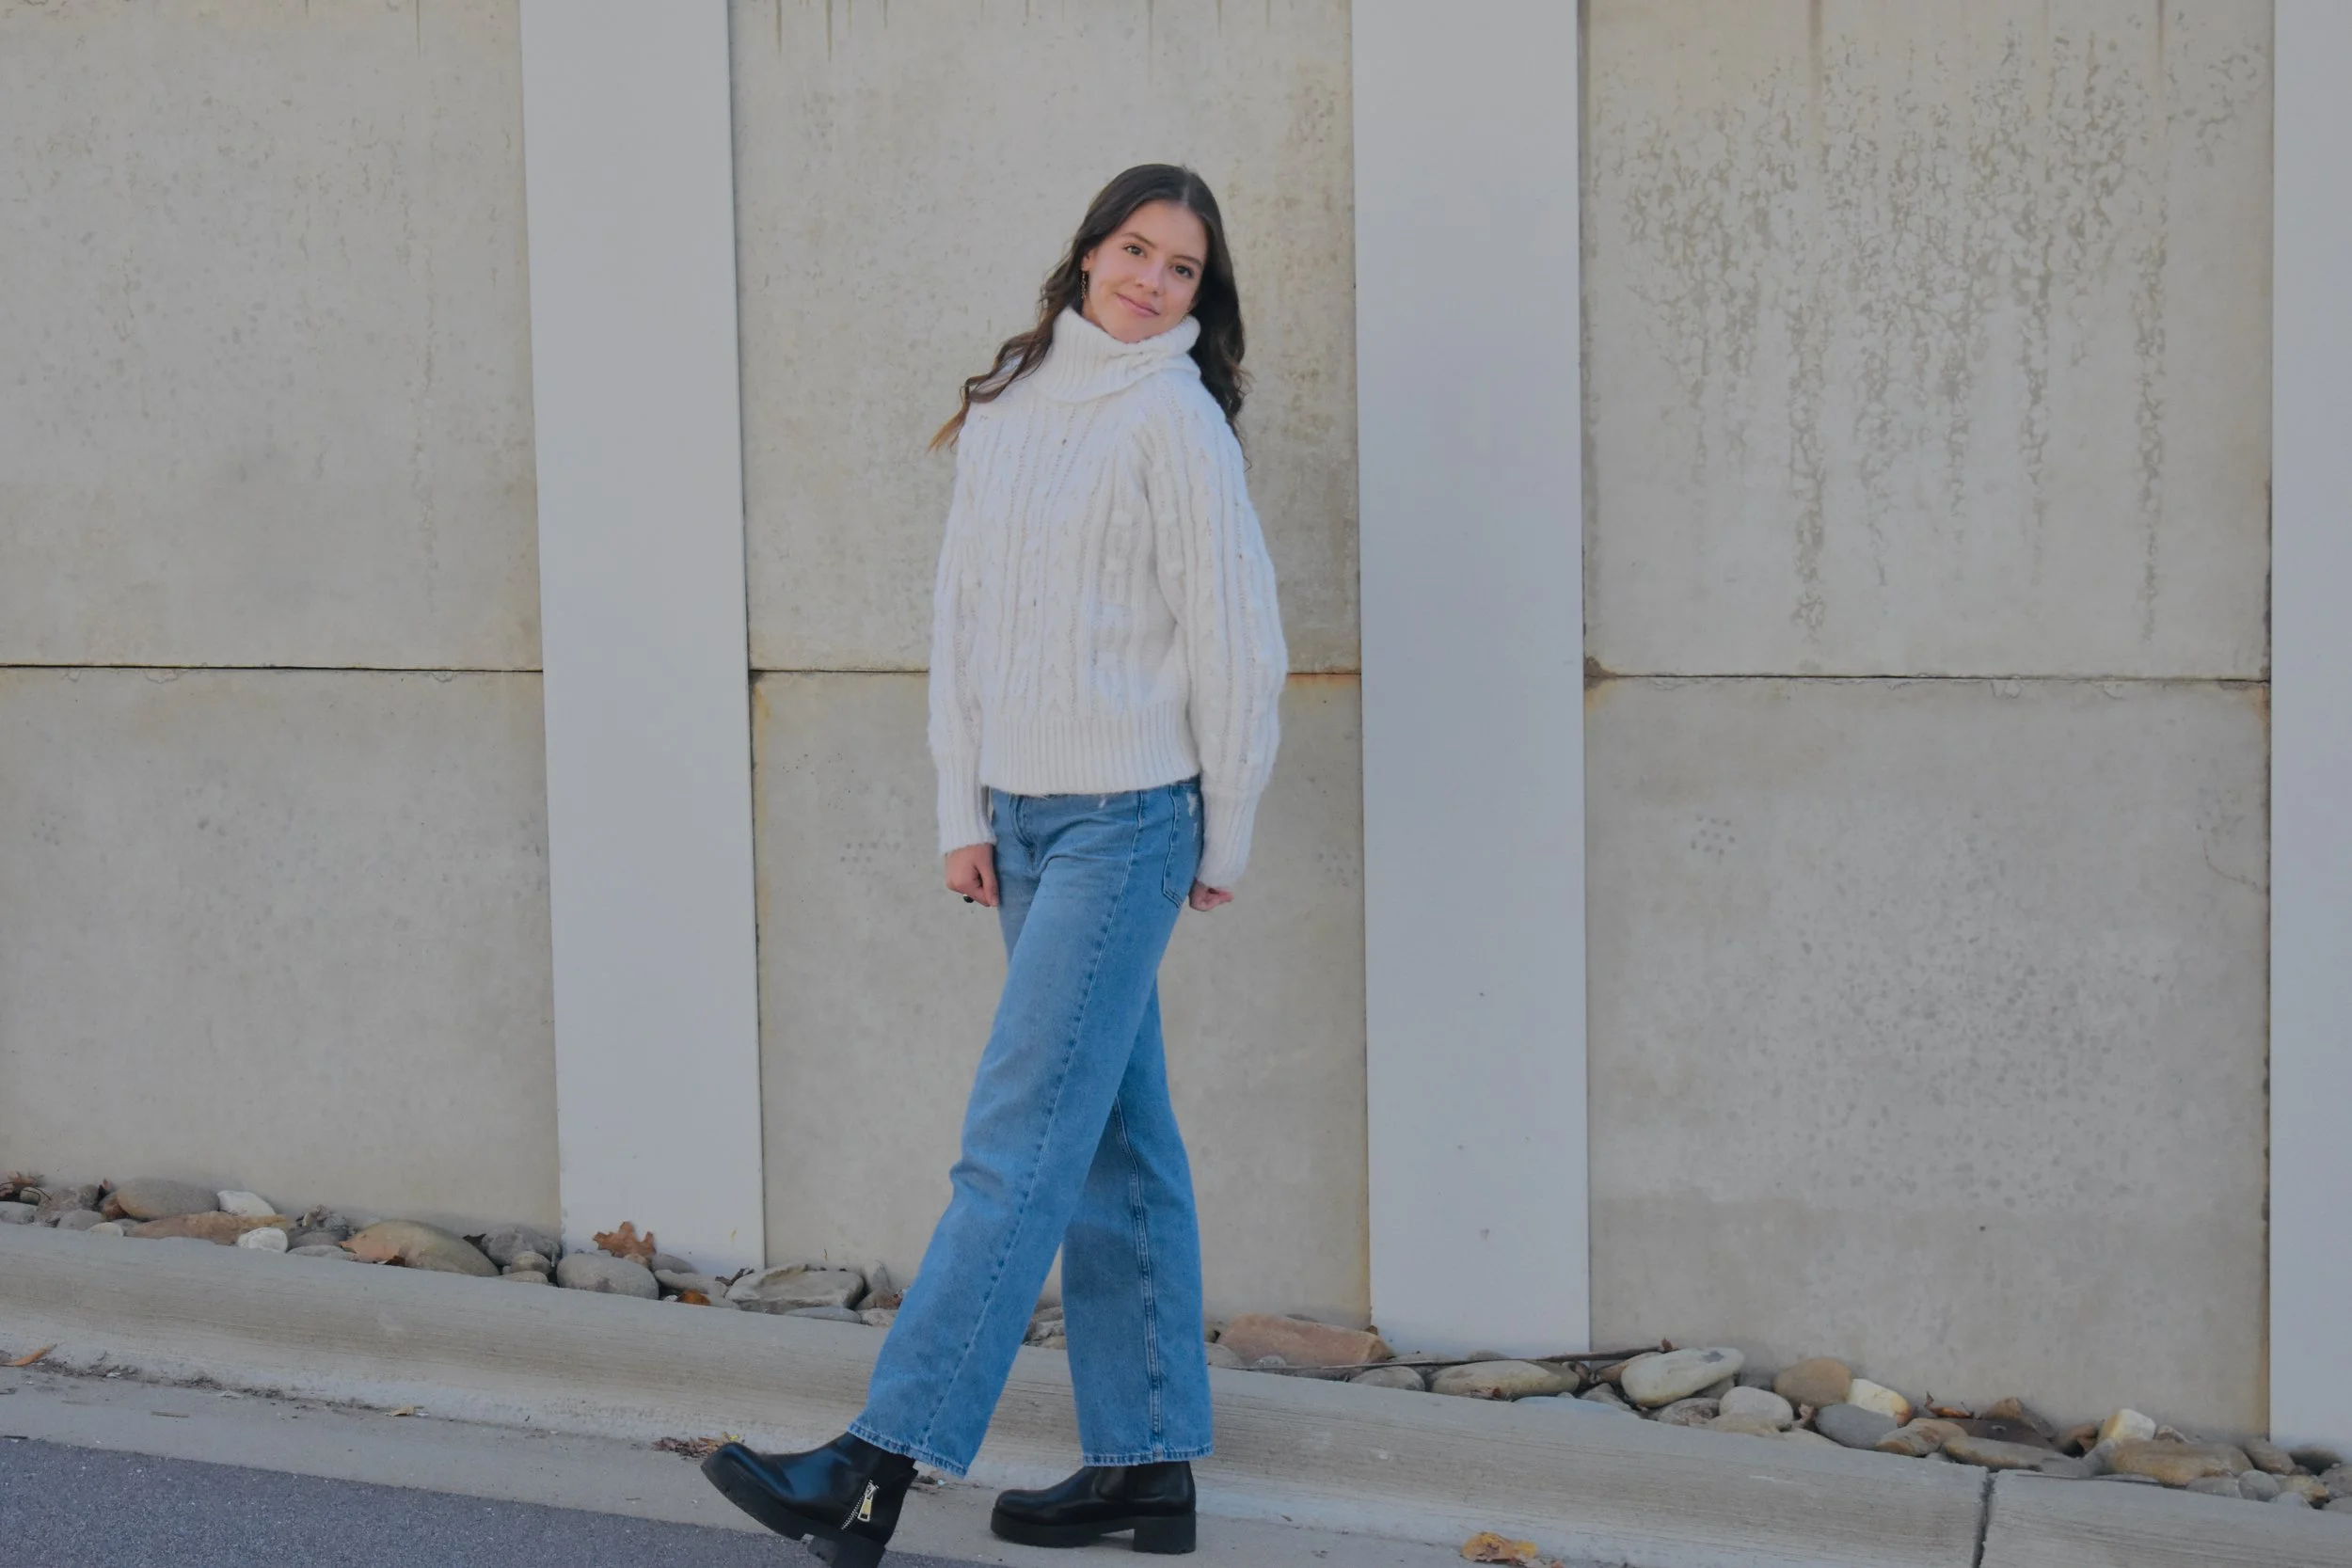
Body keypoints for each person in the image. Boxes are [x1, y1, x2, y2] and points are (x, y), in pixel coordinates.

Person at [703, 164, 1287, 1566]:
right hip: (1020, 824)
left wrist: (1227, 829)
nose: (1151, 280)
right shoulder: (1008, 409)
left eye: (1183, 270)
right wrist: (960, 810)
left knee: (1016, 1147)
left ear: (1201, 300)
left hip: (1126, 821)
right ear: (1088, 251)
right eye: (1135, 249)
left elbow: (1237, 643)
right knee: (1116, 1145)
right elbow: (959, 626)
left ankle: (874, 1466)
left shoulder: (1174, 419)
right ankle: (1147, 1471)